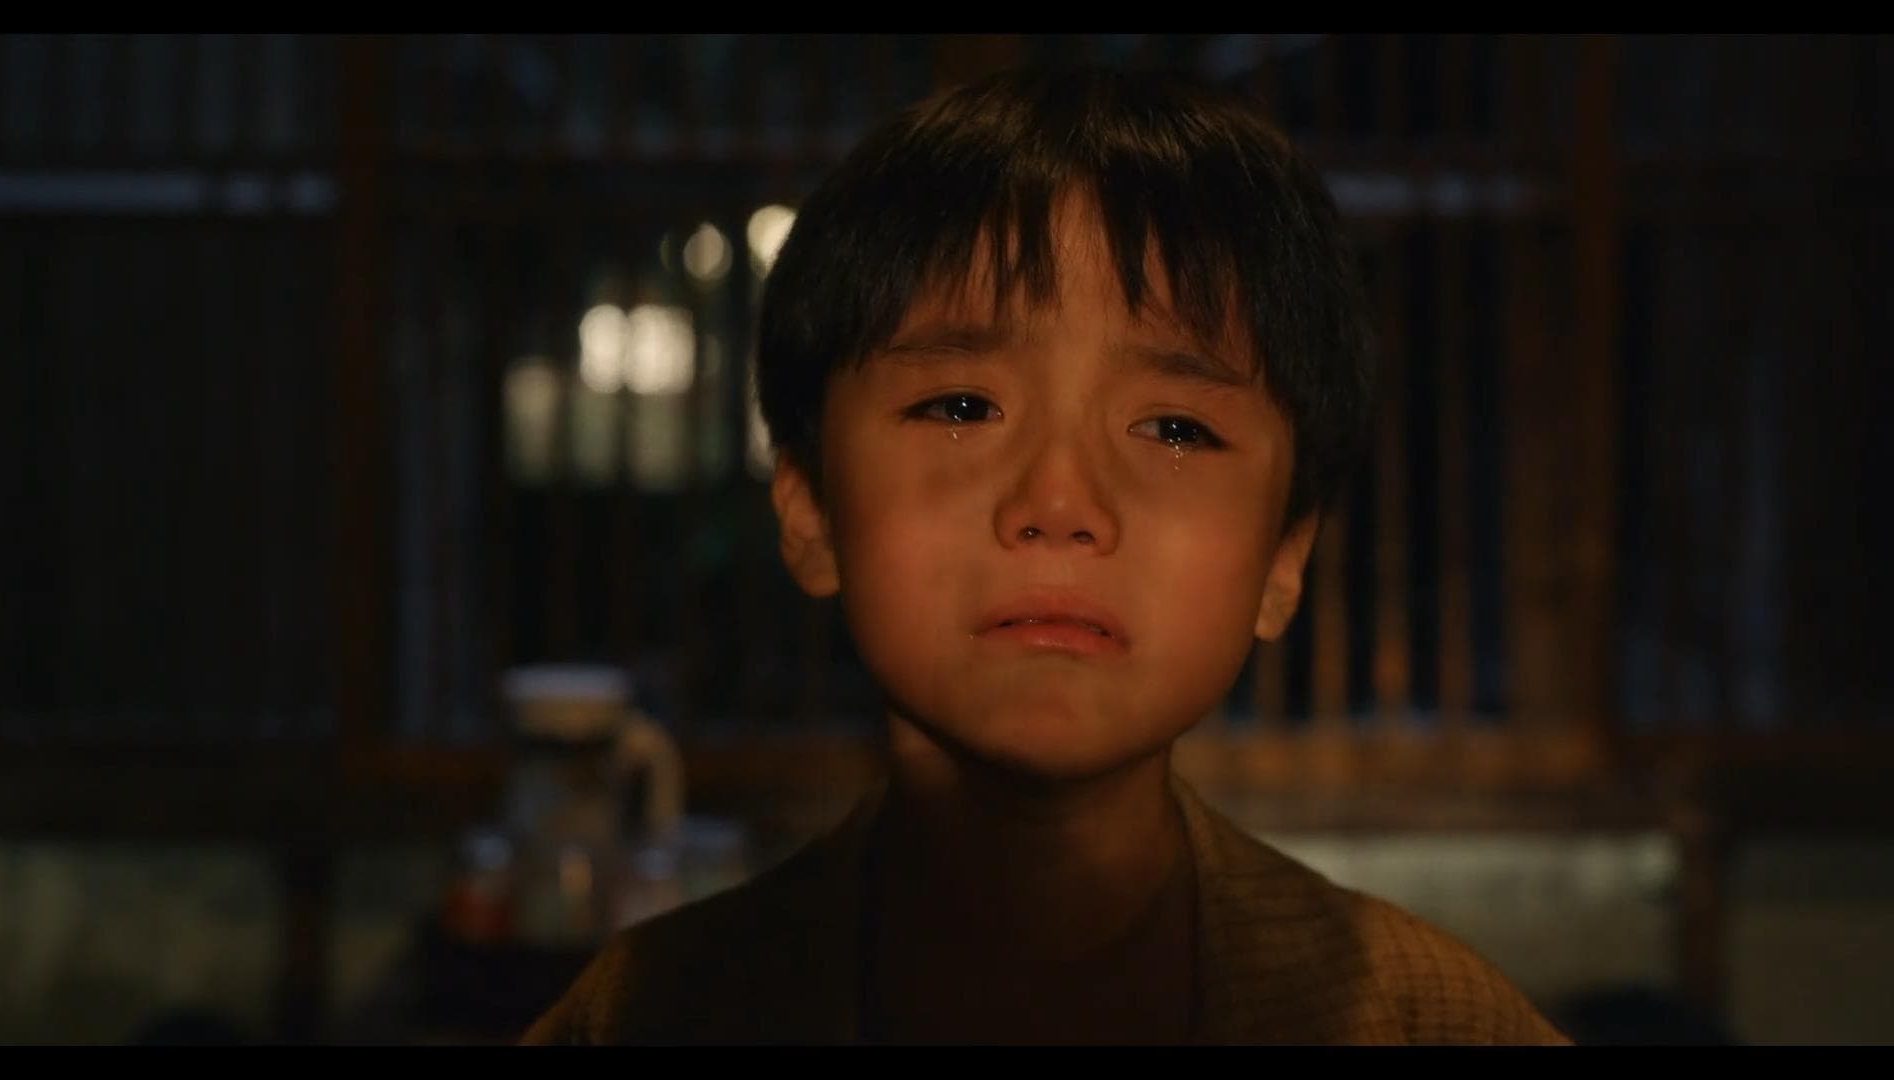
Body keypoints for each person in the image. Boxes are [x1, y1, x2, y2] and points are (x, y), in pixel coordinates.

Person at [522, 64, 1570, 1045]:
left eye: (1175, 428)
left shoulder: (1433, 1021)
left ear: (1284, 557)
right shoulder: (642, 1016)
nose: (1060, 504)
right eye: (962, 406)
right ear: (810, 510)